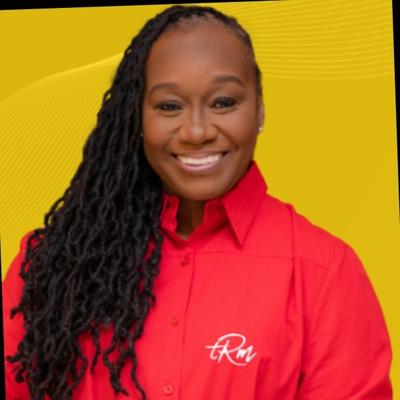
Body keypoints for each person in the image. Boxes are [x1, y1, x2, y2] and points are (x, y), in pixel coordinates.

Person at [2, 5, 392, 400]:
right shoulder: (52, 265)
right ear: (137, 117)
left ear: (259, 109)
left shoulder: (325, 273)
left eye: (223, 102)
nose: (196, 131)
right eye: (169, 106)